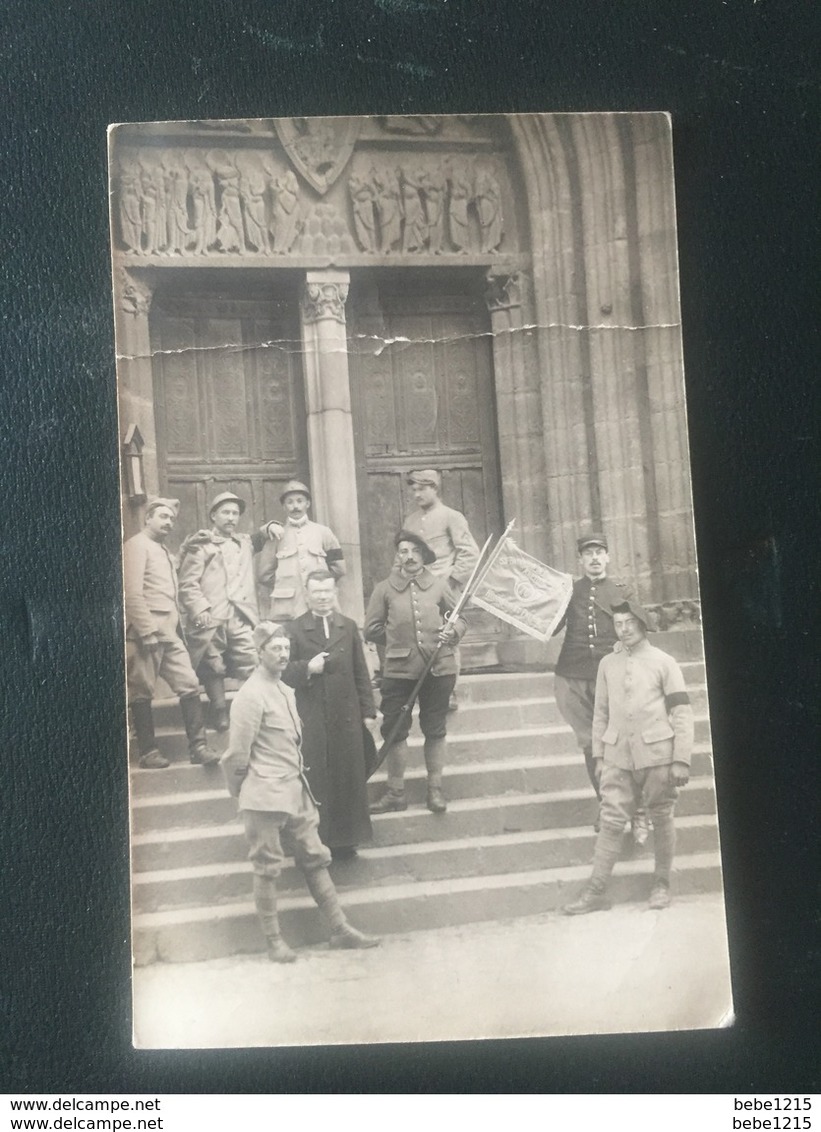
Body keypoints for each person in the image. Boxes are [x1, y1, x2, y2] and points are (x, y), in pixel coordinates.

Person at [220, 622, 379, 962]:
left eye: (286, 648)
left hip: (296, 789)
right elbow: (237, 755)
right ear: (259, 652)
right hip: (263, 794)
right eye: (275, 648)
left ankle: (339, 928)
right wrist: (245, 791)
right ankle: (274, 941)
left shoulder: (285, 690)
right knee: (267, 867)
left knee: (316, 856)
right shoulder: (250, 696)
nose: (282, 654)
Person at [562, 601, 694, 914]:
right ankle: (595, 891)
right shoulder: (607, 664)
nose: (624, 629)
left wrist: (681, 759)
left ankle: (661, 883)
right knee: (610, 821)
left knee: (661, 817)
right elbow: (600, 714)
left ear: (642, 624)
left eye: (630, 622)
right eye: (619, 623)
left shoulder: (664, 662)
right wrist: (599, 755)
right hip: (617, 757)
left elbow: (681, 712)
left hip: (658, 756)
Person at [552, 533, 648, 841]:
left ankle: (638, 812)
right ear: (580, 560)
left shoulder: (622, 590)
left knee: (624, 742)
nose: (594, 558)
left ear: (607, 557)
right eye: (588, 553)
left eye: (599, 552)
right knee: (591, 746)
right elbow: (549, 626)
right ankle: (607, 806)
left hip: (614, 678)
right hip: (574, 675)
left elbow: (638, 633)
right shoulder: (570, 591)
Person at [365, 530, 466, 815]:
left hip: (438, 668)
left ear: (423, 556)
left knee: (435, 728)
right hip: (398, 671)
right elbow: (371, 629)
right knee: (395, 731)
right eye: (403, 551)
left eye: (414, 551)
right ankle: (396, 792)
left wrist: (453, 631)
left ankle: (434, 790)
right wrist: (398, 639)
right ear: (397, 557)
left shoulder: (438, 585)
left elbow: (460, 619)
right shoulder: (384, 589)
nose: (409, 556)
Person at [283, 571, 377, 859]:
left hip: (345, 716)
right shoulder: (295, 629)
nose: (323, 597)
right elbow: (283, 672)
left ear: (334, 592)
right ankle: (316, 841)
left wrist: (368, 712)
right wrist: (307, 669)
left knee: (348, 777)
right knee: (317, 778)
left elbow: (361, 671)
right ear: (307, 593)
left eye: (327, 591)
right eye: (317, 592)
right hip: (311, 718)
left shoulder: (347, 627)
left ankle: (347, 841)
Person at [123, 497, 217, 770]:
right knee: (141, 691)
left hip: (169, 633)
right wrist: (147, 631)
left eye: (172, 519)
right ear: (148, 518)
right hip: (145, 635)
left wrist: (187, 546)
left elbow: (170, 572)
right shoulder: (136, 546)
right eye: (163, 516)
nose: (168, 522)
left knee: (189, 683)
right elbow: (131, 593)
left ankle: (198, 747)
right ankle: (148, 752)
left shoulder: (161, 549)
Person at [177, 492, 269, 732]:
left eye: (235, 513)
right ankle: (219, 712)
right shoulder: (201, 546)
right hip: (211, 616)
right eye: (225, 513)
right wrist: (199, 609)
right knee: (212, 663)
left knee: (250, 659)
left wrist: (272, 525)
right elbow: (187, 583)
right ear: (213, 516)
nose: (231, 518)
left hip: (240, 615)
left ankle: (253, 710)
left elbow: (262, 535)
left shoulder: (244, 542)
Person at [402, 468, 480, 710]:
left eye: (422, 489)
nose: (417, 494)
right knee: (421, 637)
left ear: (434, 488)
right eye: (413, 490)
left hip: (444, 589)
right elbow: (404, 554)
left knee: (447, 639)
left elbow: (470, 554)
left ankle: (449, 692)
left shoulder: (451, 516)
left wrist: (450, 581)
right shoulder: (411, 521)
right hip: (417, 588)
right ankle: (427, 689)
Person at [257, 480, 345, 622]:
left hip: (319, 604)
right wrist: (285, 586)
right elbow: (264, 575)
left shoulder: (323, 532)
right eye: (290, 502)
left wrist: (320, 585)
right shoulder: (275, 536)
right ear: (284, 506)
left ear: (308, 504)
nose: (295, 506)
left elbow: (339, 568)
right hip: (288, 607)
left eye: (300, 501)